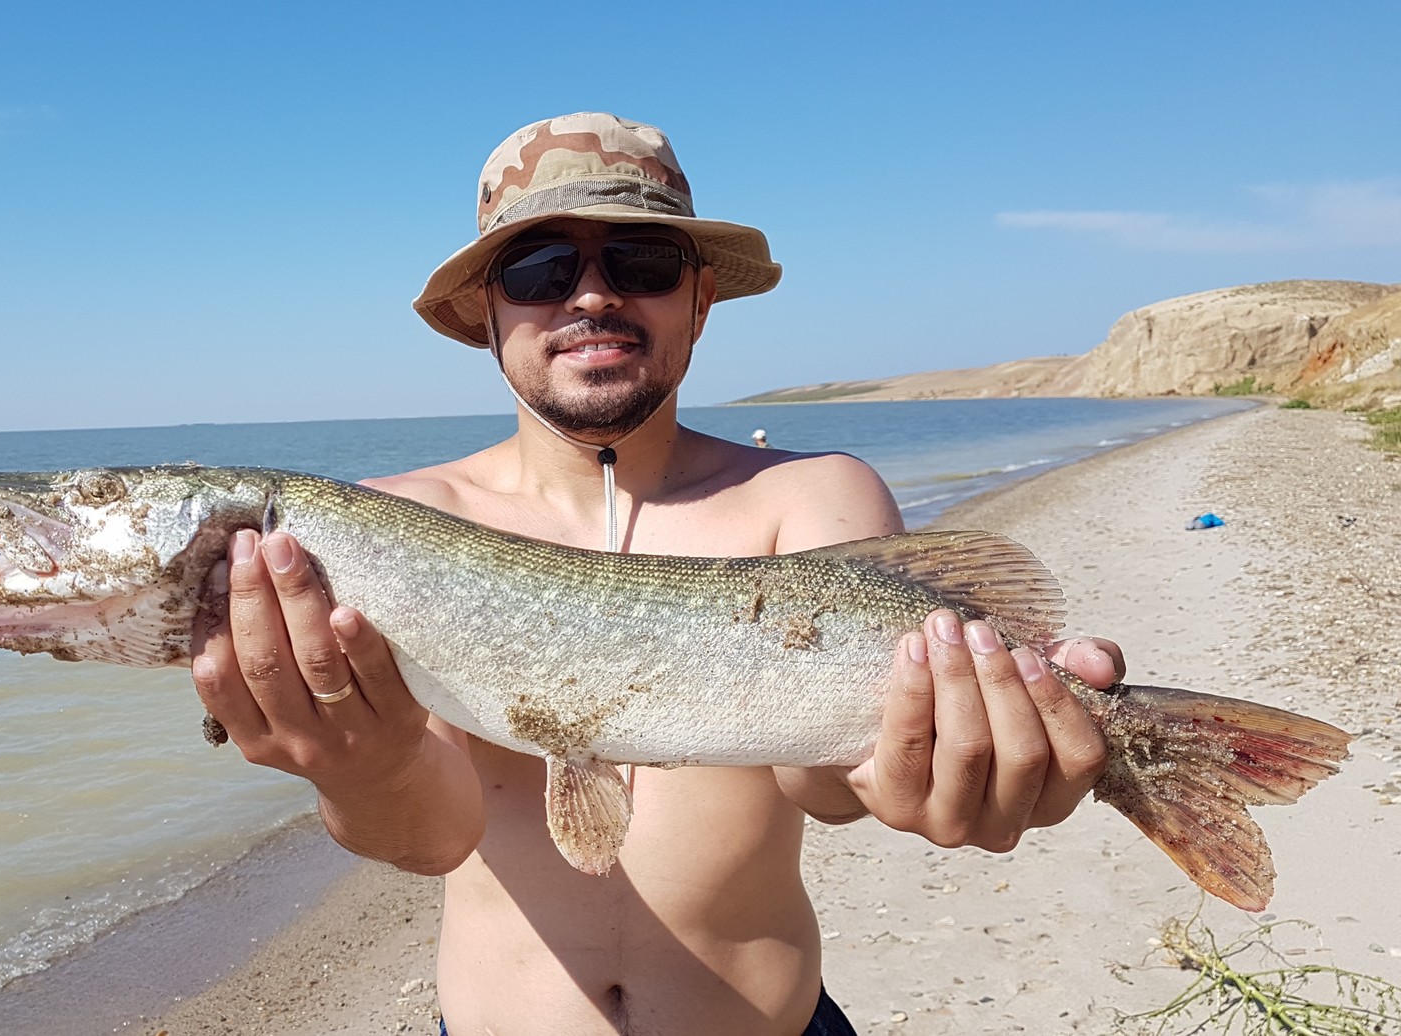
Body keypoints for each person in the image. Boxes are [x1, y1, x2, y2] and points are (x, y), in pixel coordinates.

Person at [191, 113, 1120, 1036]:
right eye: (539, 269)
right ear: (487, 313)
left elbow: (827, 788)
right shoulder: (395, 526)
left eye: (641, 262)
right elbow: (429, 836)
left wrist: (927, 765)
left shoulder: (812, 493)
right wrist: (361, 772)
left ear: (701, 301)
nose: (591, 298)